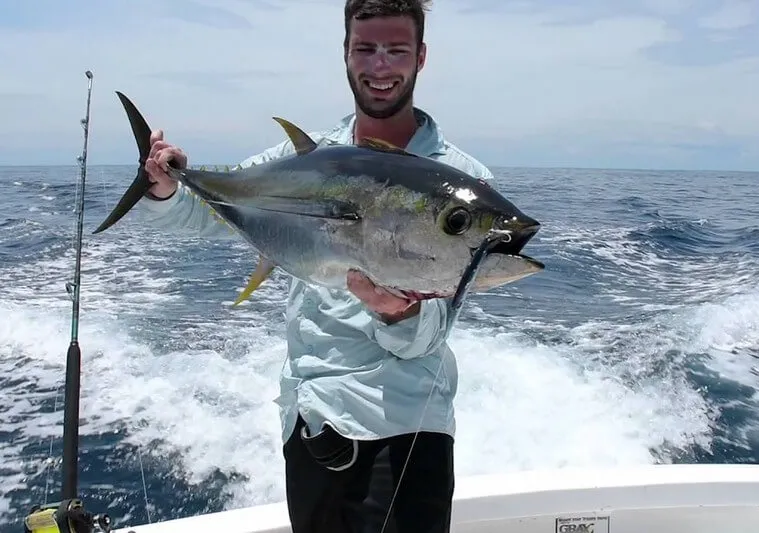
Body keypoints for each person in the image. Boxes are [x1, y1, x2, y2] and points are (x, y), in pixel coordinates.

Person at [137, 0, 495, 531]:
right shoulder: (303, 157)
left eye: (396, 50)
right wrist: (168, 188)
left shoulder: (458, 183)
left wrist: (397, 314)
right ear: (345, 54)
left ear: (420, 57)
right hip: (308, 422)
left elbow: (427, 339)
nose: (379, 66)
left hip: (401, 432)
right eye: (364, 49)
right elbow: (208, 215)